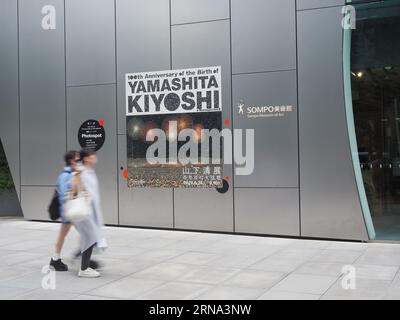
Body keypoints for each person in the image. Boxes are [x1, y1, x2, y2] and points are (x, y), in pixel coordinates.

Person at [71, 148, 107, 278]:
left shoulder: (90, 171)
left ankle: (80, 259)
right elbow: (75, 189)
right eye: (92, 156)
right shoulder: (81, 171)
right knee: (90, 237)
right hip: (85, 212)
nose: (95, 158)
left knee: (89, 237)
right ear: (86, 158)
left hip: (91, 211)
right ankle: (84, 268)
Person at [49, 150, 80, 271]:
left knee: (63, 236)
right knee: (87, 234)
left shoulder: (72, 173)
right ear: (71, 161)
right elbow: (63, 196)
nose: (79, 161)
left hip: (71, 211)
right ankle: (80, 256)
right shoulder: (65, 176)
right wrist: (68, 212)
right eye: (77, 160)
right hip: (69, 212)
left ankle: (55, 260)